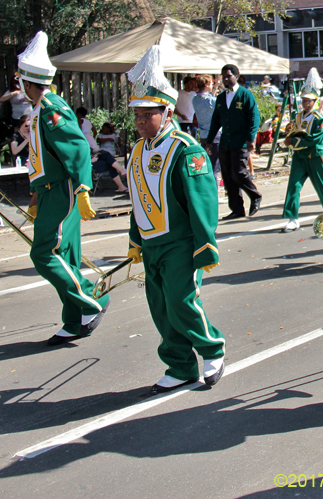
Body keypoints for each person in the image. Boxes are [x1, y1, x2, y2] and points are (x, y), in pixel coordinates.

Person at [124, 46, 226, 395]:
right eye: (136, 115)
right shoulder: (137, 151)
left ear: (167, 112)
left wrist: (206, 242)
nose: (139, 121)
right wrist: (135, 239)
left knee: (182, 302)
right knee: (161, 307)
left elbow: (202, 202)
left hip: (181, 243)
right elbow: (138, 198)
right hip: (152, 244)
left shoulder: (186, 149)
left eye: (146, 114)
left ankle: (212, 348)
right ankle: (179, 365)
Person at [19, 31, 108, 346]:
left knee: (44, 253)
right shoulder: (41, 108)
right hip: (49, 190)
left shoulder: (50, 107)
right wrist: (35, 195)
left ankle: (91, 301)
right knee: (65, 255)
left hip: (62, 190)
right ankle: (74, 321)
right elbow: (42, 157)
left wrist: (83, 187)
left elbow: (77, 149)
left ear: (27, 82)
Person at [206, 64, 262, 220]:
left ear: (236, 76)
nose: (225, 79)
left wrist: (251, 138)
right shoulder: (221, 97)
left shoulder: (245, 95)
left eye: (228, 76)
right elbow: (216, 121)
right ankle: (237, 208)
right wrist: (209, 141)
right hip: (225, 141)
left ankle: (255, 195)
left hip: (241, 141)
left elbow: (254, 118)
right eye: (223, 76)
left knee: (238, 171)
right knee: (228, 176)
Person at [280, 68, 323, 232]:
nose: (305, 103)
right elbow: (296, 131)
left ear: (315, 101)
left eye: (309, 100)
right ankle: (292, 218)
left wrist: (293, 141)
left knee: (322, 189)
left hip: (314, 157)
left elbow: (314, 139)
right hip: (299, 158)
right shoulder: (298, 116)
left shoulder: (319, 118)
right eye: (303, 100)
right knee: (293, 187)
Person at [93, 121, 129, 193]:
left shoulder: (113, 135)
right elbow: (98, 140)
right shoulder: (100, 135)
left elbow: (119, 144)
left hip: (100, 157)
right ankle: (122, 171)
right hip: (92, 162)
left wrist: (117, 135)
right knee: (106, 155)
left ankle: (121, 186)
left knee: (110, 163)